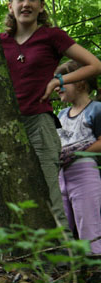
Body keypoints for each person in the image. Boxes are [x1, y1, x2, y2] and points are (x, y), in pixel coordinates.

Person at [0, 0, 101, 227]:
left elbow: (95, 65)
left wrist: (59, 81)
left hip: (39, 123)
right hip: (6, 125)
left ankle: (63, 259)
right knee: (5, 193)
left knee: (49, 193)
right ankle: (6, 256)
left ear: (41, 6)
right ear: (10, 5)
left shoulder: (52, 36)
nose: (26, 4)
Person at [55, 61, 101, 254]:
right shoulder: (61, 114)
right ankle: (66, 270)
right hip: (59, 174)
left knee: (88, 222)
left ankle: (94, 267)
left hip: (84, 173)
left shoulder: (96, 109)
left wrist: (75, 153)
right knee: (60, 224)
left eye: (62, 82)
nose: (56, 87)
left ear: (80, 83)